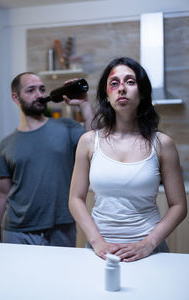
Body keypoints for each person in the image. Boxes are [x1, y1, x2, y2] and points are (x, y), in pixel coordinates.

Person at [69, 57, 187, 262]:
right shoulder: (88, 141)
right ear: (107, 95)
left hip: (150, 252)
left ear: (142, 93)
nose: (121, 88)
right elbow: (75, 199)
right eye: (114, 83)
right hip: (100, 251)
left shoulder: (162, 143)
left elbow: (178, 205)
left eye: (130, 82)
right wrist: (97, 242)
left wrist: (147, 244)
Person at [0, 72, 94, 246]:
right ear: (16, 98)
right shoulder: (6, 145)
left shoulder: (66, 127)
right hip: (17, 231)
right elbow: (1, 193)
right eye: (31, 90)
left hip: (61, 228)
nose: (39, 95)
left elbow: (95, 142)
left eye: (42, 89)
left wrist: (85, 104)